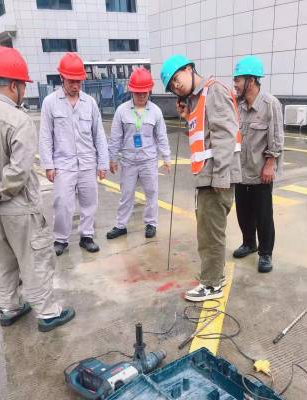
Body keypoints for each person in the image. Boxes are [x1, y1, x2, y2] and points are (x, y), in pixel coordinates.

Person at [0, 47, 75, 332]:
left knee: (0, 258)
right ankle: (48, 313)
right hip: (17, 208)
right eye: (23, 85)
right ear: (14, 85)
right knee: (34, 258)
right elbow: (19, 170)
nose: (24, 90)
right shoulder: (19, 120)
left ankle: (10, 307)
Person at [160, 55, 241, 302]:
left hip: (216, 177)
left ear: (189, 69)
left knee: (210, 233)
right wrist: (187, 116)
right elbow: (203, 136)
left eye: (176, 79)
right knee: (208, 230)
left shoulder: (213, 91)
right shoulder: (196, 100)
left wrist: (219, 178)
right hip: (206, 176)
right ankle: (215, 275)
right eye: (172, 85)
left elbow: (226, 136)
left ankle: (212, 284)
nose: (176, 86)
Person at [39, 52, 109, 256]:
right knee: (62, 202)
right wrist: (48, 165)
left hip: (87, 161)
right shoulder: (50, 103)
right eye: (71, 81)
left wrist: (102, 163)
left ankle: (86, 236)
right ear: (62, 78)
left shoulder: (90, 103)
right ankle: (61, 239)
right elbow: (45, 136)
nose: (76, 85)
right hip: (63, 163)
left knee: (89, 201)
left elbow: (99, 135)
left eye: (79, 81)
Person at [232, 55, 284, 273]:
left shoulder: (270, 104)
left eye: (238, 79)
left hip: (261, 171)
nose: (234, 84)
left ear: (251, 81)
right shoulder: (239, 105)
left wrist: (270, 164)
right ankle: (249, 243)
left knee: (263, 215)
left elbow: (277, 138)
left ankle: (265, 253)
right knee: (243, 213)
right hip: (241, 171)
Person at [107, 67, 171, 239]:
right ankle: (120, 225)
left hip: (148, 161)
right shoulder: (121, 111)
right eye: (138, 93)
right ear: (131, 91)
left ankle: (151, 223)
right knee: (126, 194)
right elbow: (115, 137)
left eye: (145, 92)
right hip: (128, 161)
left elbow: (161, 136)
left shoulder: (156, 111)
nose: (142, 96)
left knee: (152, 193)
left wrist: (166, 158)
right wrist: (112, 159)